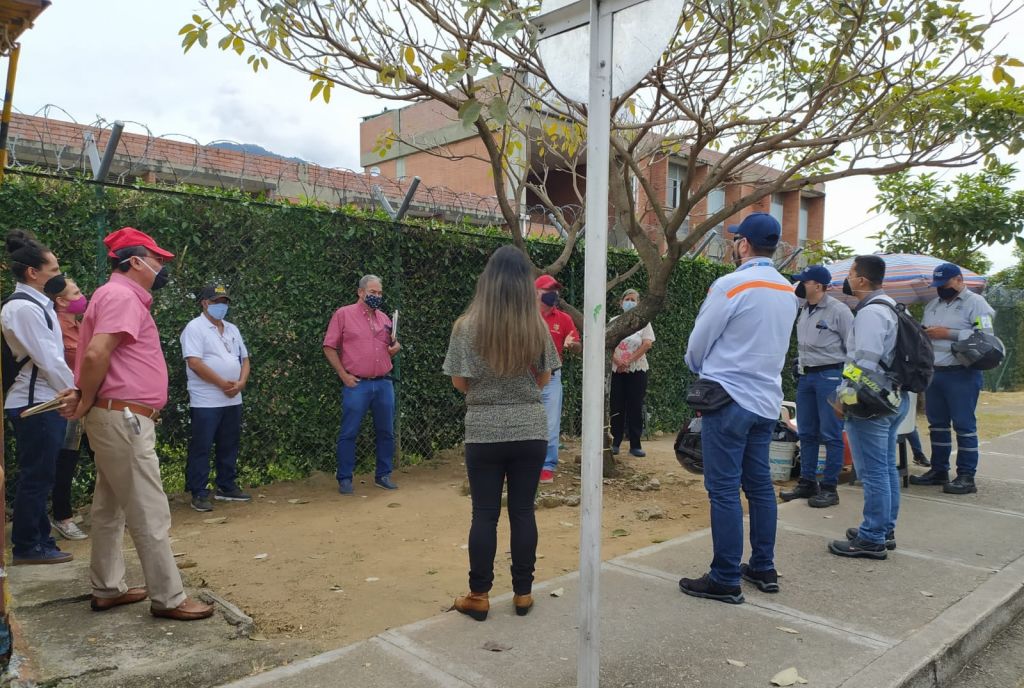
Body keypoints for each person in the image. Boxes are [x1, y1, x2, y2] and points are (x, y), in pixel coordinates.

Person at [70, 226, 213, 621]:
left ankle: (107, 587)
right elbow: (98, 353)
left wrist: (85, 397)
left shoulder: (112, 294)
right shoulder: (121, 295)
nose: (161, 267)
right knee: (149, 509)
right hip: (124, 417)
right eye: (157, 260)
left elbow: (98, 356)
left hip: (115, 415)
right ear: (135, 261)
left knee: (109, 507)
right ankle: (169, 598)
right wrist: (84, 399)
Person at [679, 213, 798, 604]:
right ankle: (763, 566)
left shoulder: (730, 285)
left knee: (724, 490)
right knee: (760, 486)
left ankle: (725, 577)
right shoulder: (786, 290)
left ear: (743, 244)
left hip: (728, 398)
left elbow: (699, 343)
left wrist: (701, 371)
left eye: (736, 241)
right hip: (766, 402)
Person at [443, 245, 560, 621]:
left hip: (484, 431)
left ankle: (479, 596)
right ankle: (523, 594)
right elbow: (544, 377)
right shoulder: (537, 326)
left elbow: (460, 382)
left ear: (487, 282)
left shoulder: (465, 327)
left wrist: (488, 390)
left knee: (485, 514)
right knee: (524, 511)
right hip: (530, 429)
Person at [2, 230, 78, 565]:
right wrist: (73, 391)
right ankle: (27, 545)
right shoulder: (23, 308)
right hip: (35, 402)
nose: (58, 276)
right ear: (33, 273)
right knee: (37, 476)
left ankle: (40, 539)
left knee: (40, 474)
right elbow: (48, 358)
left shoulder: (36, 305)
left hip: (44, 399)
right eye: (54, 270)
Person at [828, 255, 910, 559]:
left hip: (869, 404)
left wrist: (843, 396)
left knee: (873, 472)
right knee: (886, 468)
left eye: (850, 273)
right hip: (891, 397)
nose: (847, 278)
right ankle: (883, 528)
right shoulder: (890, 306)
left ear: (862, 279)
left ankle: (872, 538)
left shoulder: (870, 313)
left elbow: (862, 362)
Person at [910, 263, 995, 495]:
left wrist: (949, 334)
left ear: (958, 280)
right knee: (937, 425)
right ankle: (939, 470)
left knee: (964, 425)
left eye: (944, 284)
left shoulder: (976, 304)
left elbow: (987, 337)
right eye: (937, 285)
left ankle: (967, 476)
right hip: (935, 372)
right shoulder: (933, 305)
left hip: (962, 373)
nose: (941, 289)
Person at [781, 265, 853, 508]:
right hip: (806, 377)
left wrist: (848, 382)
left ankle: (830, 488)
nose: (800, 285)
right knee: (807, 432)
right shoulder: (803, 309)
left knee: (831, 433)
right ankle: (807, 482)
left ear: (819, 286)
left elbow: (852, 348)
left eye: (805, 282)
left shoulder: (839, 311)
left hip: (830, 376)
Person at [323, 274, 401, 495]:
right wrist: (343, 375)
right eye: (372, 292)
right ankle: (345, 478)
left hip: (384, 383)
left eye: (379, 293)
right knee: (349, 432)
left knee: (386, 432)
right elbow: (329, 346)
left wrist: (395, 348)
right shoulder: (343, 314)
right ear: (360, 292)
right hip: (357, 384)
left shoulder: (385, 318)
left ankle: (383, 475)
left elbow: (391, 346)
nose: (376, 296)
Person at [180, 283, 252, 513]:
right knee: (202, 444)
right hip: (206, 399)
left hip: (233, 397)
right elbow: (194, 362)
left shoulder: (232, 329)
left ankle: (226, 485)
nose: (221, 306)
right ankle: (199, 491)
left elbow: (245, 359)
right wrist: (221, 383)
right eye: (216, 302)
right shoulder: (194, 328)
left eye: (224, 302)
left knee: (229, 442)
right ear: (205, 303)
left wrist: (240, 383)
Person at [42, 274, 90, 541]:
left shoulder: (81, 325)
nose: (81, 297)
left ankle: (115, 512)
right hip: (67, 403)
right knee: (65, 461)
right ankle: (63, 517)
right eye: (75, 293)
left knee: (102, 455)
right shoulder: (54, 327)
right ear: (60, 301)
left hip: (88, 400)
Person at [535, 274, 580, 483]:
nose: (553, 295)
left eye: (556, 291)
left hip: (552, 377)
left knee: (551, 424)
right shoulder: (523, 316)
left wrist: (574, 345)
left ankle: (547, 466)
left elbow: (578, 346)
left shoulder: (564, 319)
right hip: (525, 378)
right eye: (548, 291)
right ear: (536, 293)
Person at [609, 289, 656, 458]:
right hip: (617, 370)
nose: (630, 302)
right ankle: (614, 442)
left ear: (638, 302)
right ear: (621, 303)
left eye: (633, 299)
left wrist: (629, 361)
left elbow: (647, 344)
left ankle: (635, 444)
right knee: (617, 405)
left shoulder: (643, 322)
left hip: (637, 369)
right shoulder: (613, 321)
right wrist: (618, 361)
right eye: (627, 299)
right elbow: (608, 343)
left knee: (635, 405)